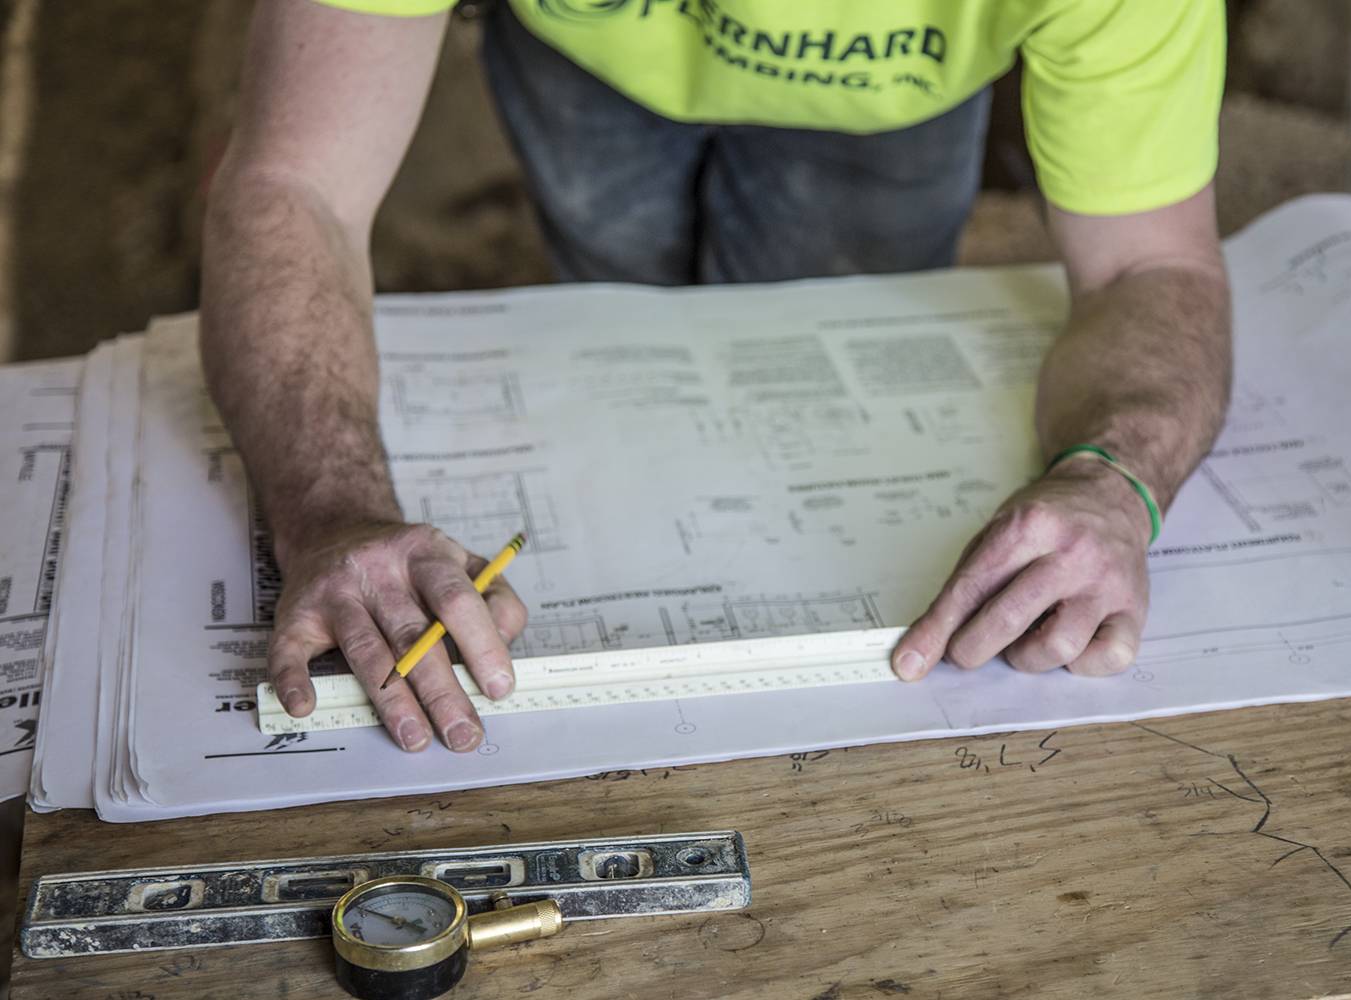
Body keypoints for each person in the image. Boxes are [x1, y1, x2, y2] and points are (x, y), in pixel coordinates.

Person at [201, 0, 1231, 753]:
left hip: (889, 96)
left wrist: (1115, 477)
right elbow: (296, 186)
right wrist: (331, 508)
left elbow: (1149, 264)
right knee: (617, 306)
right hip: (586, 47)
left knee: (818, 349)